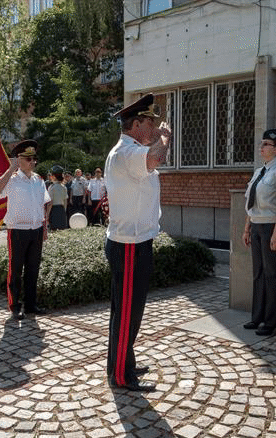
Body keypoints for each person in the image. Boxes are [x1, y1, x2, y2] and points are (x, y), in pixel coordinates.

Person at [105, 94, 171, 392]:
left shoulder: (130, 150)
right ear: (137, 124)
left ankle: (122, 361)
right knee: (128, 313)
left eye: (157, 124)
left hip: (134, 241)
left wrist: (158, 140)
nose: (155, 128)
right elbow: (156, 158)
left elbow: (153, 160)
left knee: (125, 311)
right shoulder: (128, 152)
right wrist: (166, 138)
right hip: (130, 244)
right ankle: (121, 374)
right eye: (150, 123)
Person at [241, 129, 276, 336]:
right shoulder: (259, 171)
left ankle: (272, 322)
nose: (261, 147)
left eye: (266, 144)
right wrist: (247, 227)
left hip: (273, 226)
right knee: (259, 274)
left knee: (273, 274)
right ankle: (258, 317)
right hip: (257, 226)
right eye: (261, 144)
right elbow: (250, 202)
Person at [0, 140, 51, 320]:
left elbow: (43, 204)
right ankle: (15, 305)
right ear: (19, 160)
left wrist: (44, 226)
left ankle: (31, 304)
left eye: (34, 158)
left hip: (36, 229)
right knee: (16, 269)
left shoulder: (38, 179)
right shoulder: (12, 179)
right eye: (29, 159)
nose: (33, 162)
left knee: (33, 268)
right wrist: (11, 169)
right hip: (17, 230)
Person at [47, 166, 68, 231]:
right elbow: (65, 202)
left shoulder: (52, 187)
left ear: (53, 176)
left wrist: (47, 214)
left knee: (54, 231)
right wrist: (64, 211)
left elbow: (50, 203)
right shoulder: (64, 187)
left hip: (54, 211)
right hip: (62, 210)